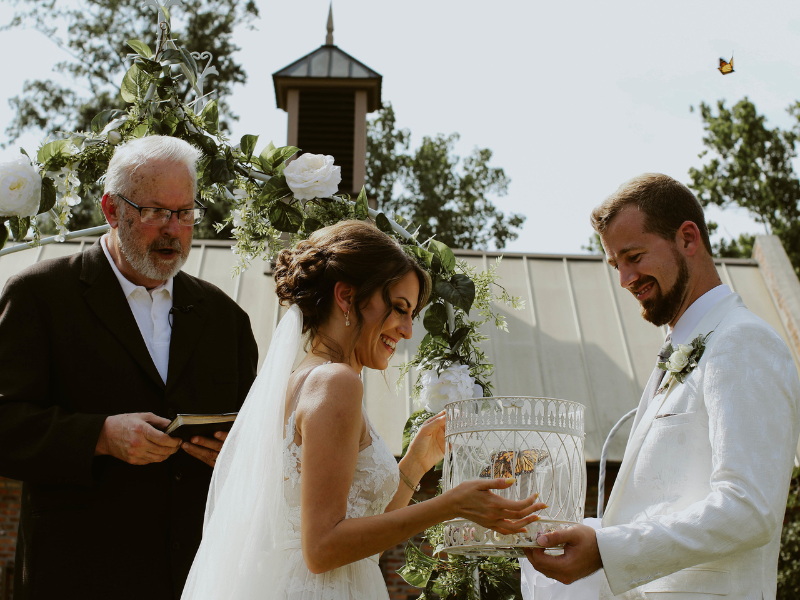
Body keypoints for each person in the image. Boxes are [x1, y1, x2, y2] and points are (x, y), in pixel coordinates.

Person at [181, 220, 545, 600]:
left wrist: (416, 464)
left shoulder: (301, 380)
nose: (406, 330)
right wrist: (450, 505)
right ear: (346, 296)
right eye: (399, 309)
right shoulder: (336, 383)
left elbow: (360, 536)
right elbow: (323, 549)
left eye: (412, 316)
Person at [0, 135, 258, 600]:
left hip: (196, 578)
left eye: (184, 213)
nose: (174, 230)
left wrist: (233, 454)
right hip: (77, 575)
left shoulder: (225, 318)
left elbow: (254, 440)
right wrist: (97, 437)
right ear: (112, 210)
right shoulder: (39, 296)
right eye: (156, 211)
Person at [524, 173, 800, 599]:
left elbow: (749, 508)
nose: (625, 279)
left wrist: (607, 549)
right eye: (616, 265)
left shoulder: (743, 341)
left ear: (688, 239)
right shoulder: (680, 347)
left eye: (634, 256)